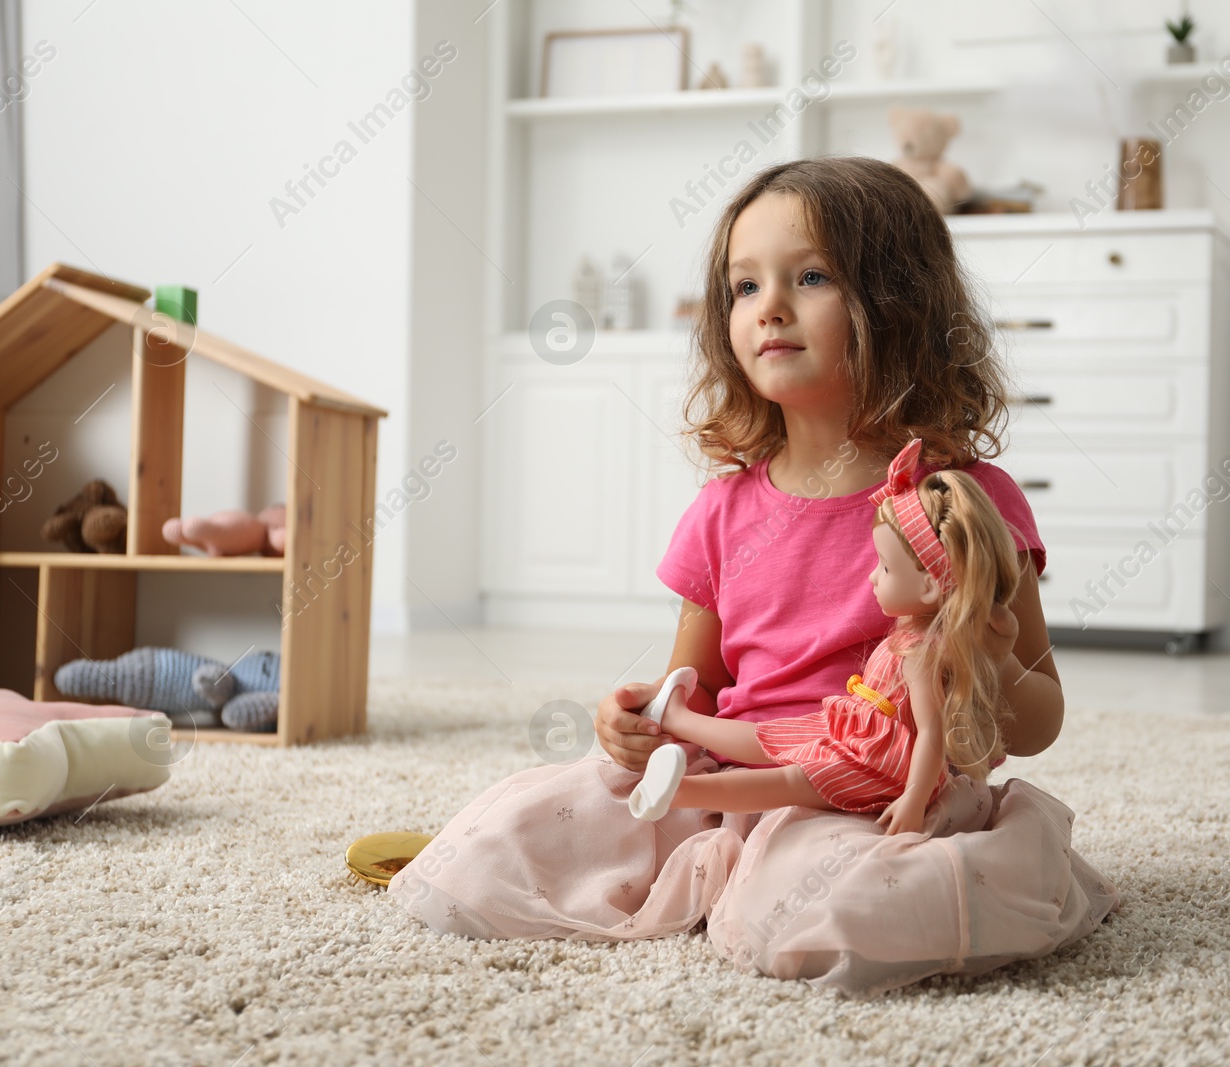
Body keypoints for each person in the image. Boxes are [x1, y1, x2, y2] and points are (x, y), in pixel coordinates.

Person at [388, 156, 1120, 996]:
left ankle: (768, 882)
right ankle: (722, 866)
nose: (767, 306)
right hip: (726, 779)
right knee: (489, 852)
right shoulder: (722, 512)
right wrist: (635, 716)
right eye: (743, 287)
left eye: (809, 276)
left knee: (838, 913)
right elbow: (694, 689)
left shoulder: (964, 501)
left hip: (865, 798)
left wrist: (979, 659)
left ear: (898, 302)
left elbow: (1039, 718)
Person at [624, 439, 1017, 839]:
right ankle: (677, 718)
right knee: (773, 738)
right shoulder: (912, 633)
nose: (872, 577)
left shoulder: (922, 653)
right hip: (856, 729)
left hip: (879, 762)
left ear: (931, 586)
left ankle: (679, 792)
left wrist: (914, 800)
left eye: (885, 567)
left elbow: (932, 733)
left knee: (791, 780)